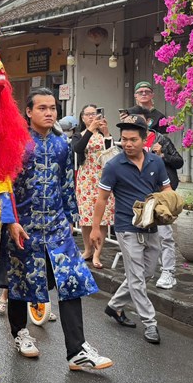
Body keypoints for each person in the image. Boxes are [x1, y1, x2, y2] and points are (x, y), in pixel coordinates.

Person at [0, 88, 113, 371]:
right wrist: (10, 221)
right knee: (20, 281)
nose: (49, 113)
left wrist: (72, 216)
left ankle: (77, 350)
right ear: (29, 112)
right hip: (23, 225)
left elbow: (65, 183)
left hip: (57, 226)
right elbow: (1, 183)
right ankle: (20, 333)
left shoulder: (62, 144)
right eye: (43, 108)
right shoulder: (15, 143)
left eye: (53, 108)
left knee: (71, 282)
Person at [92, 114, 173, 344]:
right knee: (137, 277)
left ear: (144, 139)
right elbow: (102, 199)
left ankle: (115, 306)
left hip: (152, 226)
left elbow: (166, 190)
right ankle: (150, 323)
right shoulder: (113, 166)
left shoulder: (156, 162)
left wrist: (171, 205)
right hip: (127, 227)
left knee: (147, 273)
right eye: (124, 139)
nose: (127, 144)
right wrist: (97, 228)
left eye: (132, 140)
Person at [126, 104, 184, 289]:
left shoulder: (161, 139)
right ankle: (144, 270)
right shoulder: (127, 142)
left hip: (160, 194)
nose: (133, 124)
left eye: (137, 120)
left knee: (165, 235)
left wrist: (163, 154)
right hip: (139, 193)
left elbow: (178, 162)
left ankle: (168, 272)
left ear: (147, 121)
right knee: (141, 235)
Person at [71, 104, 116, 269]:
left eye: (94, 114)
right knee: (85, 218)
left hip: (103, 177)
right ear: (82, 118)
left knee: (102, 218)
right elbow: (78, 149)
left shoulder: (104, 134)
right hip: (86, 178)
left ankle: (97, 253)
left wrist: (106, 133)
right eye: (88, 114)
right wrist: (90, 129)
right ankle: (88, 250)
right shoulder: (80, 135)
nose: (91, 117)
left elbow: (111, 152)